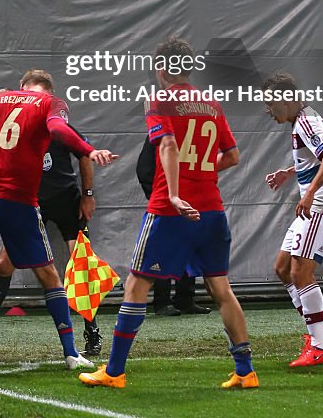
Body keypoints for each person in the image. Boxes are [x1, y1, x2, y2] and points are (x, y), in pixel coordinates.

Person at [80, 35, 258, 391]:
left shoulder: (159, 99)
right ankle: (245, 370)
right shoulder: (211, 103)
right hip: (211, 209)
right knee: (221, 288)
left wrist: (176, 194)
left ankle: (114, 371)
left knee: (136, 284)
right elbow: (234, 156)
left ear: (162, 68)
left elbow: (169, 144)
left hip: (170, 210)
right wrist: (204, 171)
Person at [0, 69, 116, 370]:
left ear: (22, 86)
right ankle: (66, 351)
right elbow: (59, 131)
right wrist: (90, 151)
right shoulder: (50, 105)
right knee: (43, 273)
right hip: (20, 201)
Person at [0, 129, 103, 357]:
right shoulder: (18, 130)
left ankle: (92, 329)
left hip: (66, 202)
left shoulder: (59, 128)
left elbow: (84, 154)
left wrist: (88, 194)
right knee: (4, 264)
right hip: (31, 202)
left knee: (81, 263)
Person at [262, 71, 323, 367]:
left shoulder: (307, 120)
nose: (267, 110)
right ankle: (320, 330)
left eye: (270, 103)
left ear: (286, 99)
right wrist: (291, 172)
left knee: (300, 272)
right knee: (283, 268)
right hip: (315, 202)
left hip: (322, 204)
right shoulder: (302, 119)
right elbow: (318, 156)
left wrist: (310, 192)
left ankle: (320, 346)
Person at [136, 135, 210, 316]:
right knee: (164, 250)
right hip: (165, 201)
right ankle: (162, 302)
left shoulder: (191, 132)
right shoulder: (161, 132)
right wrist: (161, 196)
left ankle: (185, 299)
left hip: (188, 197)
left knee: (189, 247)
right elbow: (144, 170)